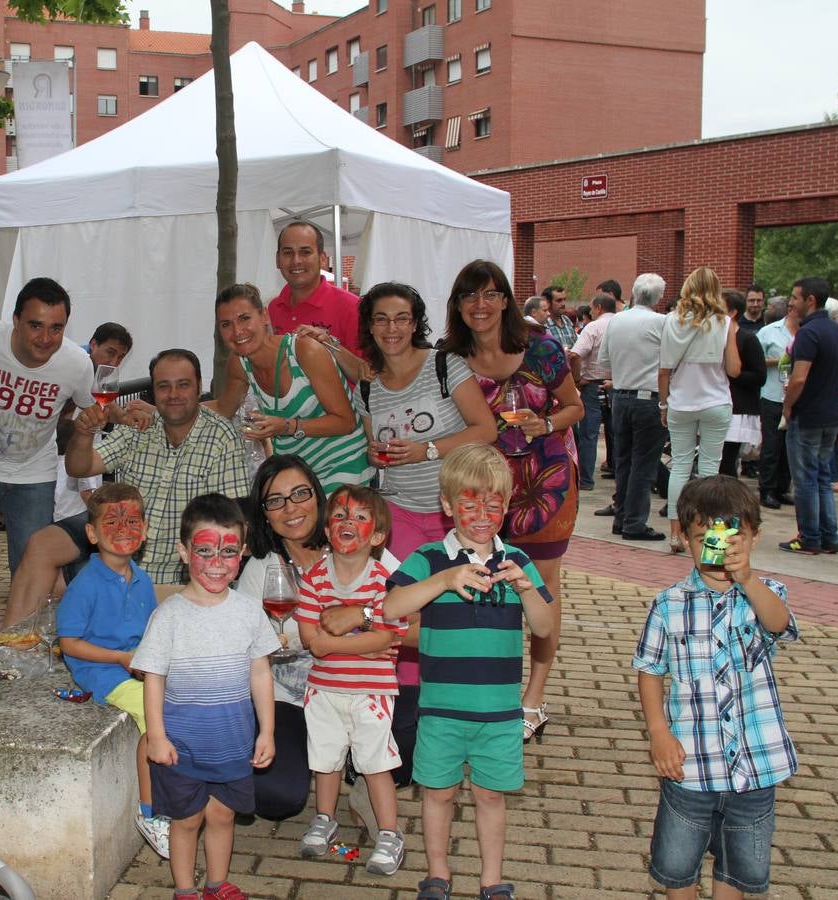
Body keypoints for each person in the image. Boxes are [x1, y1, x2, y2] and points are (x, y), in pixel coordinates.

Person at [375, 443, 556, 900]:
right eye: (469, 503)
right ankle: (438, 874)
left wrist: (525, 588)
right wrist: (443, 581)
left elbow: (545, 628)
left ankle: (492, 880)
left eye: (492, 504)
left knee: (491, 796)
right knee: (437, 793)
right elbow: (391, 607)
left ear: (507, 506)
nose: (481, 514)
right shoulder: (431, 558)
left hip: (498, 714)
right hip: (440, 711)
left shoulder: (519, 561)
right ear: (447, 505)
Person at [632, 476, 796, 899]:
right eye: (705, 538)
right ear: (685, 539)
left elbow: (779, 624)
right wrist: (658, 733)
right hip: (690, 764)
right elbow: (650, 670)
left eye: (731, 538)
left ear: (753, 538)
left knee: (739, 867)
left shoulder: (764, 594)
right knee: (676, 864)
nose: (718, 549)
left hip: (755, 768)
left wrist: (748, 580)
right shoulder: (669, 603)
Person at [440, 259, 581, 743]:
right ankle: (485, 690)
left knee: (541, 587)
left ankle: (534, 698)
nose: (480, 305)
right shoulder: (449, 357)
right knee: (481, 582)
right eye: (469, 296)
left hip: (546, 483)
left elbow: (575, 405)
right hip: (481, 490)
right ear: (458, 306)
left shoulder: (540, 348)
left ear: (505, 299)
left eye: (489, 294)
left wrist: (549, 424)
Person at [237, 456, 409, 824]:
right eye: (276, 500)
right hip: (297, 699)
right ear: (264, 513)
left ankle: (359, 769)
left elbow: (416, 620)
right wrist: (316, 634)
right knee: (276, 796)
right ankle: (341, 764)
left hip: (364, 685)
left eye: (300, 493)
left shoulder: (352, 539)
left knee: (418, 741)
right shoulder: (261, 569)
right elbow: (253, 646)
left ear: (317, 496)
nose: (291, 508)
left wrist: (361, 614)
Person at [132, 493, 279, 900]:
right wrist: (156, 737)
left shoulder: (250, 611)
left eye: (228, 552)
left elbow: (261, 673)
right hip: (181, 748)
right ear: (184, 552)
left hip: (232, 745)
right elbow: (154, 679)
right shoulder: (168, 617)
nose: (217, 563)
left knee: (222, 815)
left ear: (243, 553)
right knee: (186, 819)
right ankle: (184, 889)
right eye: (205, 551)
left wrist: (266, 732)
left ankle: (216, 884)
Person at [0, 278, 95, 612]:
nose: (45, 338)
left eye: (56, 328)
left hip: (34, 474)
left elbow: (93, 410)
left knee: (32, 568)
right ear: (16, 320)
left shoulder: (77, 363)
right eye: (35, 325)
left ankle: (24, 652)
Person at [60, 349, 250, 590]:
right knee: (43, 555)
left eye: (183, 385)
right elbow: (79, 467)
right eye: (164, 386)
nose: (173, 395)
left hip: (183, 584)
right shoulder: (139, 427)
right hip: (121, 572)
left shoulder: (220, 437)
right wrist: (84, 433)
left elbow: (229, 522)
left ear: (199, 386)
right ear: (154, 391)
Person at [293, 485, 406, 876]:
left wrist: (338, 641)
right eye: (340, 515)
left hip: (371, 692)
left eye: (360, 517)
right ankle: (325, 818)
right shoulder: (314, 578)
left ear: (376, 536)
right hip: (323, 689)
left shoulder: (384, 580)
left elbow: (390, 635)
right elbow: (313, 643)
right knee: (325, 760)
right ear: (327, 528)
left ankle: (389, 833)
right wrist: (362, 644)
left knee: (375, 762)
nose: (347, 523)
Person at [55, 483, 169, 859]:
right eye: (112, 521)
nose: (124, 529)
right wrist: (121, 659)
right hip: (103, 672)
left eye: (133, 520)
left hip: (137, 665)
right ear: (92, 533)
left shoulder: (142, 577)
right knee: (155, 717)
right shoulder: (85, 584)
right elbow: (68, 644)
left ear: (146, 527)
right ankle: (150, 812)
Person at [0, 326, 132, 627]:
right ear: (93, 344)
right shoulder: (72, 368)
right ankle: (28, 627)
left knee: (53, 546)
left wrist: (117, 415)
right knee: (41, 544)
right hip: (52, 469)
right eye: (110, 352)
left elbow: (94, 429)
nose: (115, 361)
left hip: (74, 467)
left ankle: (37, 625)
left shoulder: (94, 380)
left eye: (121, 356)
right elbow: (63, 432)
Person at [355, 282, 497, 559]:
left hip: (458, 507)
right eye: (381, 319)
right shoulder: (367, 388)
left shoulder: (444, 366)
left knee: (461, 594)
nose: (391, 328)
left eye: (401, 318)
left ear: (414, 324)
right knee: (409, 594)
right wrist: (374, 455)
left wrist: (426, 450)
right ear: (370, 327)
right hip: (400, 510)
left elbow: (487, 429)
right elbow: (376, 452)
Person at [212, 283, 371, 491]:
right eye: (226, 324)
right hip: (296, 474)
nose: (237, 331)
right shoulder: (239, 363)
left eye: (244, 318)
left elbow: (346, 422)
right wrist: (163, 412)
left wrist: (287, 426)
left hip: (343, 464)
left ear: (264, 316)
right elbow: (224, 409)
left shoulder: (304, 350)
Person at [658, 267, 742, 554]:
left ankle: (675, 533)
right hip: (716, 401)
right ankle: (708, 535)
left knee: (679, 467)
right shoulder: (725, 323)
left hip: (681, 401)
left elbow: (664, 370)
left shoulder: (672, 321)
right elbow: (734, 369)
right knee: (709, 470)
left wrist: (663, 403)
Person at [780, 276, 838, 555]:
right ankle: (828, 536)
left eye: (795, 298)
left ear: (810, 300)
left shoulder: (808, 333)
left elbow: (798, 378)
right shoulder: (836, 331)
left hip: (808, 415)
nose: (791, 303)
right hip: (831, 415)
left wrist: (787, 406)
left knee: (806, 478)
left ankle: (809, 537)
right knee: (821, 477)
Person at [598, 273, 669, 540]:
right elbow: (670, 360)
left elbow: (604, 358)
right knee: (644, 463)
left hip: (621, 396)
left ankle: (623, 516)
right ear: (658, 298)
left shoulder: (616, 321)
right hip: (647, 397)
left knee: (624, 461)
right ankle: (635, 522)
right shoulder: (661, 322)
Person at [266, 221, 363, 358]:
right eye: (288, 253)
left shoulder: (352, 308)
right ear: (277, 259)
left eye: (305, 252)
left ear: (322, 259)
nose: (296, 260)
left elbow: (366, 373)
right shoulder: (273, 308)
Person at [570, 293, 617, 491]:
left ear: (598, 308)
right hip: (618, 384)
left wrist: (577, 378)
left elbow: (575, 354)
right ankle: (617, 471)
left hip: (592, 384)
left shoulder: (594, 327)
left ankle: (586, 479)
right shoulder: (622, 326)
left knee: (589, 434)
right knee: (616, 432)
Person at [754, 296, 797, 508]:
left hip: (796, 396)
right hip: (772, 394)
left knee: (789, 447)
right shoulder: (768, 332)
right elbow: (755, 360)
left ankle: (782, 487)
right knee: (771, 444)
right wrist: (779, 361)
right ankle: (767, 489)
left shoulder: (806, 333)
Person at [718, 290, 766, 478]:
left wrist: (732, 375)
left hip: (738, 408)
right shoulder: (714, 336)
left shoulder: (747, 339)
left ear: (732, 313)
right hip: (718, 403)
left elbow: (759, 376)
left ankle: (729, 499)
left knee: (727, 460)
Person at [541, 284, 576, 348]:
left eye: (564, 299)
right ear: (547, 303)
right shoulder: (542, 324)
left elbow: (575, 346)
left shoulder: (567, 320)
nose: (563, 304)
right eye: (559, 300)